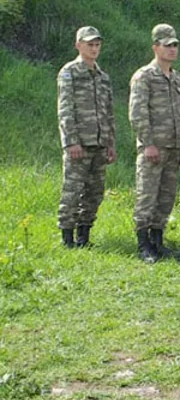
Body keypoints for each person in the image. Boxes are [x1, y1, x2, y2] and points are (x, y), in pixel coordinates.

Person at [129, 24, 180, 262]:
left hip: (174, 147)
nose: (172, 49)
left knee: (166, 196)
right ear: (155, 47)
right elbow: (138, 113)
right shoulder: (144, 76)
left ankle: (158, 241)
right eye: (167, 45)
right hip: (154, 147)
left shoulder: (177, 78)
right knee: (147, 195)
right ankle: (143, 244)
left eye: (175, 45)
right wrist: (147, 143)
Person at [57, 26, 116, 249]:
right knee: (72, 191)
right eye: (89, 44)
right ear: (78, 45)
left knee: (94, 193)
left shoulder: (102, 77)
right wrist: (71, 141)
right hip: (79, 143)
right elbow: (65, 110)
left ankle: (84, 235)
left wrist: (110, 143)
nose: (94, 49)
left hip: (99, 144)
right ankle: (67, 237)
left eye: (97, 45)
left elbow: (109, 113)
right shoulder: (69, 72)